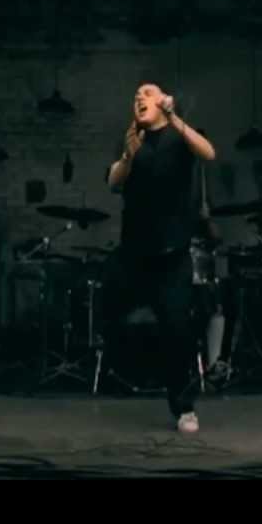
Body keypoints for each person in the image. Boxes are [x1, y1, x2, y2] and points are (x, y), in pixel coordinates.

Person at [105, 83, 216, 433]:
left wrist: (175, 117)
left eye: (147, 93)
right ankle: (121, 378)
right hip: (134, 252)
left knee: (177, 330)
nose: (139, 98)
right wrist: (128, 156)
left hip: (172, 255)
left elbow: (208, 152)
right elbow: (113, 182)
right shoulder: (131, 138)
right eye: (135, 96)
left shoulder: (178, 135)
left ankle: (184, 407)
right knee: (112, 312)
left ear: (163, 101)